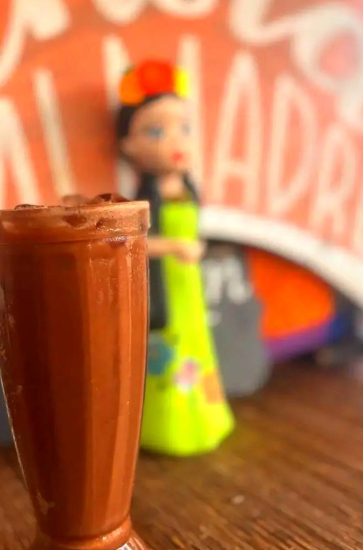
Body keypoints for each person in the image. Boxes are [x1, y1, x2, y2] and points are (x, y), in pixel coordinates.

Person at [117, 60, 234, 455]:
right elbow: (134, 244)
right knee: (167, 352)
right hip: (162, 286)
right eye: (156, 131)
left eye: (184, 128)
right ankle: (168, 425)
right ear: (128, 146)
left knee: (197, 344)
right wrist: (174, 247)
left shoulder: (186, 188)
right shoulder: (143, 198)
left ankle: (205, 415)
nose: (175, 140)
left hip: (189, 286)